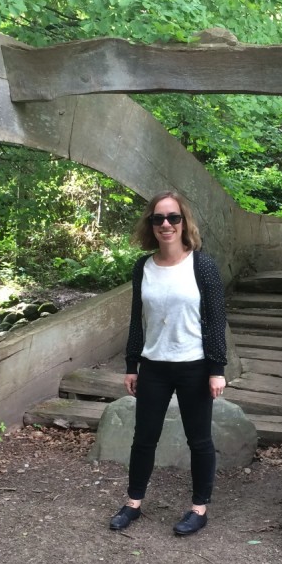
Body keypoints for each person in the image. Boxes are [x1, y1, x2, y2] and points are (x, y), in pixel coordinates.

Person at [109, 190, 228, 536]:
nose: (166, 224)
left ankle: (198, 508)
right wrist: (132, 364)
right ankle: (133, 503)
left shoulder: (202, 265)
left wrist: (216, 369)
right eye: (158, 218)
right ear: (151, 224)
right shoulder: (142, 267)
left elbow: (215, 318)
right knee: (144, 438)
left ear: (183, 222)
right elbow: (137, 319)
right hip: (154, 366)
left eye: (173, 218)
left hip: (194, 365)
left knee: (199, 440)